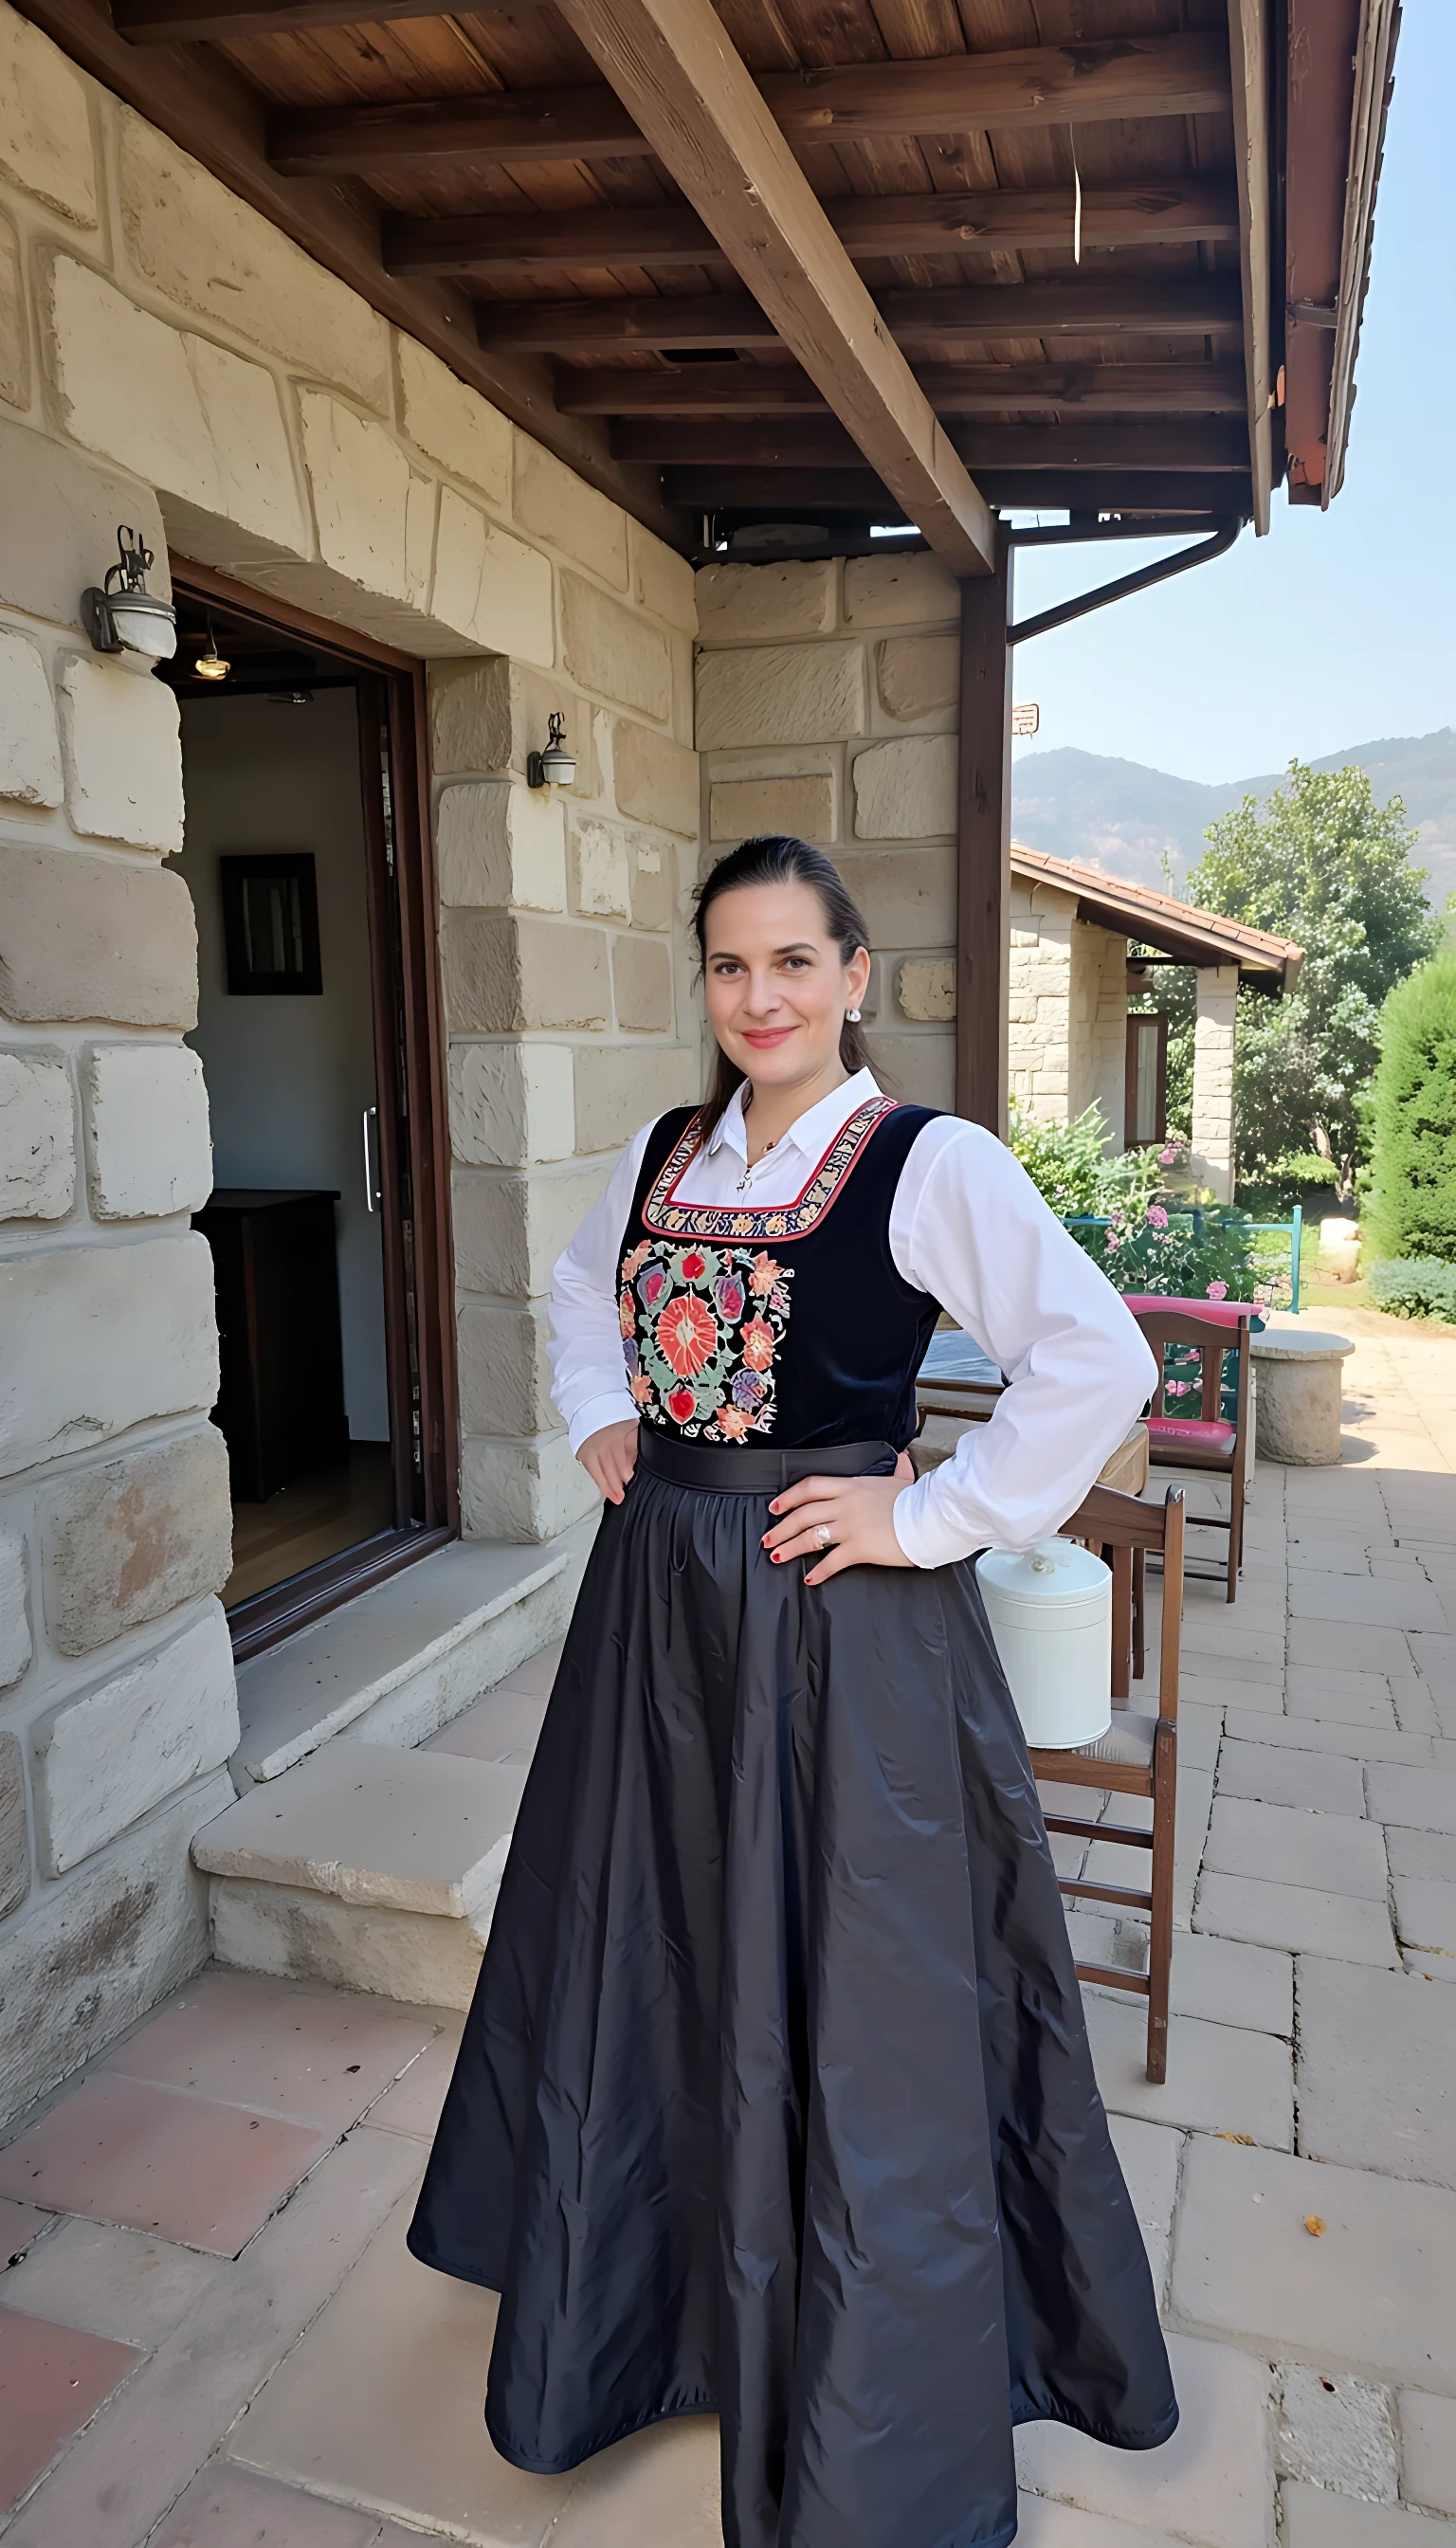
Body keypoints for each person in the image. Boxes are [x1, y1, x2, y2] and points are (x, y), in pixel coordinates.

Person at [409, 834, 1176, 2548]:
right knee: (653, 1943)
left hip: (838, 1629)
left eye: (792, 964)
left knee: (852, 1980)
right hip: (658, 1621)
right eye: (729, 967)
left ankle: (851, 2371)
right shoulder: (668, 1151)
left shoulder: (925, 1160)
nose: (758, 998)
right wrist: (602, 1409)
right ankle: (656, 2300)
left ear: (852, 977)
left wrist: (932, 1516)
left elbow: (1093, 1356)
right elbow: (571, 1289)